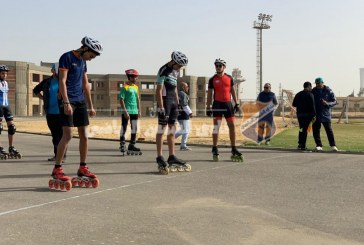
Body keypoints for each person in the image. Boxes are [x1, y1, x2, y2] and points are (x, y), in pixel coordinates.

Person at [49, 36, 102, 191]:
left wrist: (91, 105)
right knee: (68, 135)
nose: (91, 59)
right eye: (91, 56)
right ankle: (57, 169)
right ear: (85, 49)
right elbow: (62, 81)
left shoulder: (83, 61)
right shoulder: (66, 57)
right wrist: (65, 102)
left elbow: (85, 83)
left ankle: (82, 167)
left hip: (80, 101)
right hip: (67, 100)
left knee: (84, 135)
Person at [155, 51, 191, 174]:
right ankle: (159, 156)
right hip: (165, 102)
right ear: (174, 62)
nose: (180, 68)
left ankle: (171, 156)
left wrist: (178, 103)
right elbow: (158, 91)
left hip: (173, 104)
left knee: (172, 129)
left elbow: (175, 88)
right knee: (161, 130)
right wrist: (161, 108)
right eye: (179, 65)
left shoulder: (175, 71)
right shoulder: (163, 70)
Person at [206, 58, 243, 162]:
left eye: (220, 65)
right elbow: (209, 94)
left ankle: (234, 148)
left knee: (232, 126)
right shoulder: (212, 79)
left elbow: (232, 91)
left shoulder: (229, 78)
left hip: (228, 104)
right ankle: (215, 147)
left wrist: (237, 103)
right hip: (217, 104)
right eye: (216, 65)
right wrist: (208, 107)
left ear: (224, 67)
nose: (218, 67)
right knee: (216, 126)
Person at [33, 63, 67, 161]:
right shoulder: (46, 82)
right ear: (52, 71)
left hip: (62, 112)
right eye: (58, 71)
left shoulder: (65, 81)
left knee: (62, 135)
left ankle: (62, 156)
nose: (60, 73)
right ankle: (57, 155)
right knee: (55, 136)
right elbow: (35, 90)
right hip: (50, 113)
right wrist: (43, 98)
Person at [311, 77, 338, 151]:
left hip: (326, 114)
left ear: (323, 83)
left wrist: (327, 103)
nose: (317, 85)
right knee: (316, 130)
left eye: (319, 83)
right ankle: (319, 145)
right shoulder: (313, 91)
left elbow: (335, 101)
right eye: (316, 83)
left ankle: (333, 145)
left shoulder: (329, 91)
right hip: (316, 114)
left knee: (329, 130)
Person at [0, 65, 21, 159]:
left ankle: (11, 147)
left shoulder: (6, 83)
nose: (4, 75)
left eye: (5, 73)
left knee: (12, 128)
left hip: (6, 106)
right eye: (2, 73)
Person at [119, 69, 142, 156]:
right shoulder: (125, 87)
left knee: (134, 128)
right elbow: (121, 100)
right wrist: (125, 111)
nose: (136, 79)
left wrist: (139, 110)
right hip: (127, 111)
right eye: (135, 77)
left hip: (135, 111)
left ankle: (132, 145)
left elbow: (138, 99)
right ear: (130, 77)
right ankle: (122, 143)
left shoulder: (136, 87)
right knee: (124, 127)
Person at [292, 81, 316, 151]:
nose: (311, 88)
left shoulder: (298, 94)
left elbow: (294, 104)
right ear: (309, 87)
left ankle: (300, 144)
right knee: (305, 130)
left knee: (301, 129)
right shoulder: (310, 94)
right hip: (307, 116)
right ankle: (303, 146)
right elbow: (313, 106)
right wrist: (314, 115)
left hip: (300, 115)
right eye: (311, 87)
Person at [175, 81, 192, 151]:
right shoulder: (183, 94)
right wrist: (190, 112)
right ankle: (172, 136)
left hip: (179, 114)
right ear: (183, 87)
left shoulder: (178, 93)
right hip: (184, 114)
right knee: (185, 130)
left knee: (185, 130)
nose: (188, 88)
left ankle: (183, 145)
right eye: (187, 86)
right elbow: (184, 105)